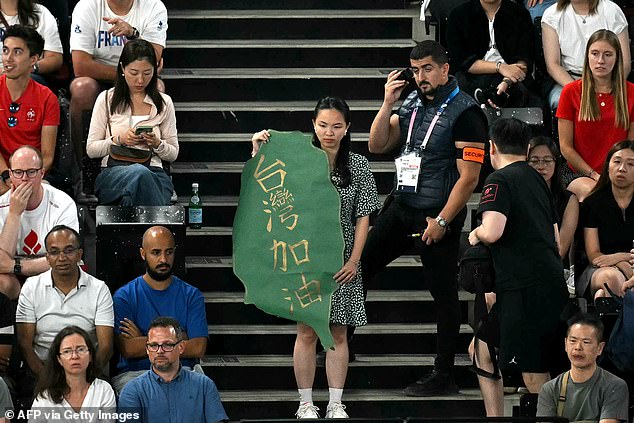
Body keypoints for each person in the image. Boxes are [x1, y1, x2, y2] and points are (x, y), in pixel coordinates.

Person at [364, 40, 487, 396]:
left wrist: (445, 221)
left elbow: (470, 178)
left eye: (428, 69)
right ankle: (342, 343)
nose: (421, 77)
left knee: (444, 294)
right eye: (415, 70)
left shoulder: (466, 112)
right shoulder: (411, 103)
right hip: (402, 206)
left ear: (445, 69)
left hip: (436, 214)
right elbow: (377, 145)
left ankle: (444, 374)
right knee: (356, 270)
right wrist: (388, 102)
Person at [251, 97, 381, 418]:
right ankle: (305, 403)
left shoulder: (359, 166)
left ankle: (336, 403)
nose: (329, 132)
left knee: (338, 331)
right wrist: (257, 150)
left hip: (343, 259)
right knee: (307, 330)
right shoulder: (297, 161)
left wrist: (354, 261)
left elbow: (363, 218)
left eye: (337, 126)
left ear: (347, 128)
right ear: (313, 124)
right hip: (304, 256)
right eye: (323, 125)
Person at [468, 118, 568, 416]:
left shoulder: (498, 180)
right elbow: (556, 238)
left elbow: (493, 230)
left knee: (534, 371)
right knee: (480, 349)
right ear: (527, 149)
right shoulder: (537, 178)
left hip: (523, 291)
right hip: (544, 283)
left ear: (492, 147)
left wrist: (476, 234)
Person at [69, 0, 168, 179]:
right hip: (100, 76)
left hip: (138, 77)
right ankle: (86, 170)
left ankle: (156, 167)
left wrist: (133, 34)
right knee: (82, 88)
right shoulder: (87, 6)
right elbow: (81, 66)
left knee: (158, 88)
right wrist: (124, 74)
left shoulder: (153, 6)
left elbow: (152, 61)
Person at [112, 226, 207, 394]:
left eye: (169, 252)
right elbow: (128, 349)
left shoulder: (192, 295)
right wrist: (180, 338)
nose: (163, 259)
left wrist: (143, 339)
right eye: (156, 252)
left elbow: (198, 347)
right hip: (136, 374)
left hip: (184, 371)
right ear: (143, 253)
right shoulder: (124, 296)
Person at [86, 39, 177, 206]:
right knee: (139, 173)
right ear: (122, 69)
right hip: (114, 173)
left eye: (147, 73)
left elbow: (173, 153)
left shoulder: (164, 103)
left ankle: (137, 230)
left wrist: (157, 144)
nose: (140, 80)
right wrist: (118, 140)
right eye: (134, 73)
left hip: (155, 173)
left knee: (132, 195)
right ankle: (158, 229)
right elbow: (91, 149)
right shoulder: (106, 99)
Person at [15, 225, 113, 380]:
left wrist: (84, 379)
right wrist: (48, 381)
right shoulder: (31, 287)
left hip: (88, 371)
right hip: (42, 371)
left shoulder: (99, 289)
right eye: (54, 252)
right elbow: (25, 345)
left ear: (79, 254)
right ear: (47, 257)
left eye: (68, 250)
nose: (62, 258)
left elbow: (106, 346)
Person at [557, 29, 634, 202]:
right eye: (595, 54)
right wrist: (594, 175)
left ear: (617, 58)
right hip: (578, 171)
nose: (600, 61)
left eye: (608, 54)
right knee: (596, 194)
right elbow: (565, 147)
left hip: (621, 171)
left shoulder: (631, 93)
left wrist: (614, 176)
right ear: (587, 57)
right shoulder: (571, 91)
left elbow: (631, 147)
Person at [0, 146, 78, 301]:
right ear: (10, 175)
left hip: (52, 275)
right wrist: (14, 214)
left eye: (31, 172)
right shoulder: (1, 205)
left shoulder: (63, 203)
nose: (24, 178)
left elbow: (66, 256)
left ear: (42, 173)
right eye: (18, 172)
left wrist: (14, 265)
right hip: (14, 280)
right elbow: (1, 262)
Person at [118, 317, 228, 423]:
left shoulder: (204, 385)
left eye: (167, 345)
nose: (159, 351)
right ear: (147, 349)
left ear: (181, 347)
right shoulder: (132, 390)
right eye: (154, 345)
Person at [537, 313, 628, 422]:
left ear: (600, 348)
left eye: (586, 342)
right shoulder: (550, 389)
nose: (578, 347)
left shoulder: (614, 386)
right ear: (565, 344)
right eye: (573, 341)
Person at [0, 25, 59, 193]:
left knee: (44, 191)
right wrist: (6, 175)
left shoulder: (47, 98)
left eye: (17, 52)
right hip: (1, 174)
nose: (8, 58)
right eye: (5, 51)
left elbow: (46, 157)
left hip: (32, 175)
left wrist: (23, 178)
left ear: (33, 59)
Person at [446, 0, 536, 108]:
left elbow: (525, 59)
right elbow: (462, 61)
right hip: (472, 77)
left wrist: (507, 81)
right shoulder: (459, 15)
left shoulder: (520, 14)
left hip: (512, 78)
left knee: (532, 101)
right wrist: (500, 67)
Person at [542, 0, 629, 109]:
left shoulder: (612, 11)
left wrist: (606, 88)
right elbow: (553, 65)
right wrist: (580, 91)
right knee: (560, 100)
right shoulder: (551, 15)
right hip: (569, 80)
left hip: (609, 79)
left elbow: (625, 63)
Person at [578, 140, 634, 299]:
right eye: (617, 162)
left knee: (605, 294)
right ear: (608, 166)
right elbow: (595, 256)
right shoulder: (593, 203)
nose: (622, 168)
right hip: (601, 269)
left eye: (631, 164)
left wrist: (620, 258)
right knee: (612, 279)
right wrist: (620, 263)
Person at [30, 326, 116, 421]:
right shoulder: (45, 397)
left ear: (90, 356)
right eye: (67, 351)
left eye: (80, 349)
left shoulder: (103, 390)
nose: (74, 356)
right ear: (59, 359)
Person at [528, 136, 578, 258]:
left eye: (547, 160)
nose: (541, 166)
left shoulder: (568, 200)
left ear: (556, 162)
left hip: (552, 264)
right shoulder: (517, 194)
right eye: (534, 161)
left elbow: (561, 250)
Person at [0, 0, 63, 84]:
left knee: (20, 79)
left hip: (30, 75)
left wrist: (30, 67)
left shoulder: (41, 13)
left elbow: (55, 58)